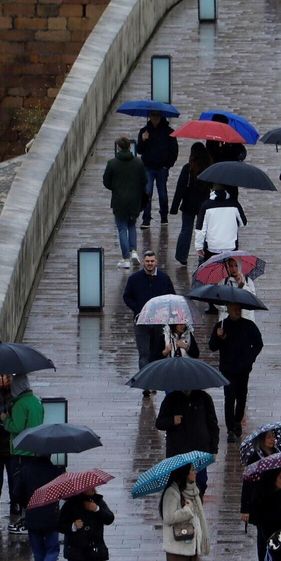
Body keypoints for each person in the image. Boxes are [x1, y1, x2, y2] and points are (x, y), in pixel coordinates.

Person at [0, 372, 43, 532]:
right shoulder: (35, 402)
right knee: (15, 479)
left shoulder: (20, 404)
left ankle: (19, 510)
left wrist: (6, 419)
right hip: (26, 448)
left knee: (17, 481)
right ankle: (12, 508)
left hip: (18, 449)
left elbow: (16, 427)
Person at [209, 301, 263, 439]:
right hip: (227, 368)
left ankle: (237, 420)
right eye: (234, 310)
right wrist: (219, 337)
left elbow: (258, 343)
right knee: (229, 398)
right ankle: (230, 429)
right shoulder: (221, 326)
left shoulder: (248, 325)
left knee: (242, 396)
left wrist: (250, 358)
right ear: (228, 310)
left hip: (243, 368)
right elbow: (212, 346)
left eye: (239, 309)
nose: (237, 312)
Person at [20, 452, 66, 561]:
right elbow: (64, 494)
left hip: (32, 516)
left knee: (38, 551)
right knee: (52, 549)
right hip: (51, 517)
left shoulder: (26, 470)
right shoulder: (56, 471)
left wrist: (27, 505)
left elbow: (16, 493)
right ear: (50, 454)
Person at [157, 382, 217, 494]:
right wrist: (172, 421)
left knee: (201, 481)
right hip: (178, 450)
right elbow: (159, 423)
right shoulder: (171, 399)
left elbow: (212, 425)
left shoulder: (204, 398)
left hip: (199, 450)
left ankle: (197, 507)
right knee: (178, 483)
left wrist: (213, 449)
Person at [123, 251, 173, 377]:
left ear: (156, 262)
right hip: (141, 322)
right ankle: (145, 382)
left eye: (152, 261)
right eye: (147, 261)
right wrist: (138, 309)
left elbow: (171, 295)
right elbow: (127, 297)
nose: (150, 264)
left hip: (159, 322)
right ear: (143, 262)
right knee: (143, 353)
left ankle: (153, 379)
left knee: (156, 352)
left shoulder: (164, 278)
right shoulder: (134, 279)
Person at [102, 136, 147, 269]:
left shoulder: (112, 163)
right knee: (132, 225)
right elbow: (144, 181)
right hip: (134, 200)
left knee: (122, 228)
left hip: (119, 201)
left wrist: (116, 188)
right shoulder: (138, 163)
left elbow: (106, 182)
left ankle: (126, 258)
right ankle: (133, 251)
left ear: (118, 148)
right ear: (129, 147)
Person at [170, 142, 212, 265]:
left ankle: (182, 256)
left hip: (188, 204)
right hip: (203, 205)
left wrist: (174, 207)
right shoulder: (209, 168)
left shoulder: (188, 168)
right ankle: (203, 257)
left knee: (186, 230)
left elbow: (180, 188)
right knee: (203, 232)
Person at [136, 111, 177, 230]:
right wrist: (143, 140)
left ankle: (164, 216)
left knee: (162, 193)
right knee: (147, 192)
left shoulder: (169, 132)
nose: (155, 118)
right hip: (148, 167)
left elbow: (174, 150)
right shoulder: (144, 131)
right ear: (149, 116)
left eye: (157, 116)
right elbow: (139, 150)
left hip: (162, 168)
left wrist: (167, 165)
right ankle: (146, 218)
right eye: (153, 115)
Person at [193, 187, 246, 266]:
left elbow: (200, 228)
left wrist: (199, 246)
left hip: (212, 247)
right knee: (229, 270)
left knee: (212, 270)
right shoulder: (234, 204)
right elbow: (243, 222)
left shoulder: (206, 205)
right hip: (230, 246)